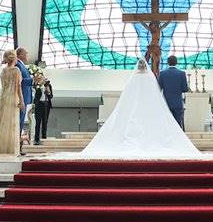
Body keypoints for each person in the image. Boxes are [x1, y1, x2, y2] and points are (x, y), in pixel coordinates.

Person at [56, 58, 203, 159]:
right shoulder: (154, 79)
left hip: (136, 110)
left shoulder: (139, 79)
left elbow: (140, 94)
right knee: (174, 125)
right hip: (169, 105)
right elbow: (160, 92)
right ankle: (178, 143)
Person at [0, 49, 22, 155]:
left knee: (3, 122)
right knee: (12, 123)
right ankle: (11, 149)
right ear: (14, 58)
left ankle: (1, 148)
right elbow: (18, 87)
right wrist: (22, 102)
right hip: (13, 98)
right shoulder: (16, 70)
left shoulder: (3, 71)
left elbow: (3, 86)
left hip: (3, 97)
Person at [157, 55, 189, 128]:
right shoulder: (181, 73)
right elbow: (185, 89)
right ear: (176, 62)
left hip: (166, 103)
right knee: (177, 124)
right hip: (178, 103)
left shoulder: (162, 73)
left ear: (168, 63)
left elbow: (159, 88)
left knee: (167, 124)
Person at [15, 48, 34, 142]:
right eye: (26, 53)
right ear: (20, 54)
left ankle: (17, 144)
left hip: (25, 96)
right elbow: (20, 82)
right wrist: (33, 80)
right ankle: (16, 144)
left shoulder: (22, 65)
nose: (27, 55)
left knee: (21, 121)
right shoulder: (17, 64)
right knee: (19, 121)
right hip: (21, 96)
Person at [33, 77, 53, 144]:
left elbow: (51, 96)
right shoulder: (38, 85)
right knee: (38, 123)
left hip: (46, 105)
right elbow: (34, 87)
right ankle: (36, 140)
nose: (44, 81)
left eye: (45, 80)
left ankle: (44, 139)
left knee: (45, 122)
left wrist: (48, 90)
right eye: (43, 79)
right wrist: (40, 85)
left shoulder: (49, 86)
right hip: (39, 105)